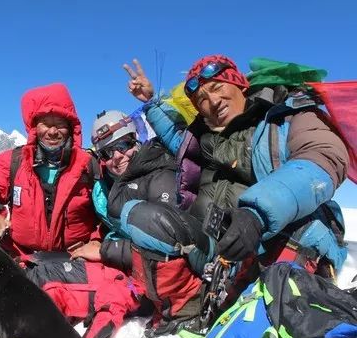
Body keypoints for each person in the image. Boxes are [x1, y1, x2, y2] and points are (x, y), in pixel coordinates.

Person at [118, 55, 349, 308]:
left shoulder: (288, 115)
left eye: (217, 88)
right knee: (141, 215)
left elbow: (321, 157)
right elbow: (174, 133)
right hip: (218, 249)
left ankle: (274, 312)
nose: (213, 101)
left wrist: (256, 214)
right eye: (202, 100)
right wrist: (152, 102)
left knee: (303, 231)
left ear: (240, 84)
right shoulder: (202, 139)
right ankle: (190, 307)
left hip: (273, 237)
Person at [0, 83, 139, 338]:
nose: (53, 131)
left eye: (61, 123)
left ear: (72, 128)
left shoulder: (90, 166)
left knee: (116, 284)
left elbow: (112, 211)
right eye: (46, 123)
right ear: (34, 126)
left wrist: (99, 242)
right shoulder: (11, 162)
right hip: (19, 255)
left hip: (73, 257)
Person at [71, 110, 210, 337]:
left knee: (143, 217)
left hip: (178, 279)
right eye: (108, 152)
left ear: (137, 139)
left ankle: (186, 312)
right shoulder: (118, 182)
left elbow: (166, 241)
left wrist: (105, 250)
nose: (117, 156)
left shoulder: (159, 177)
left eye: (124, 145)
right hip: (135, 271)